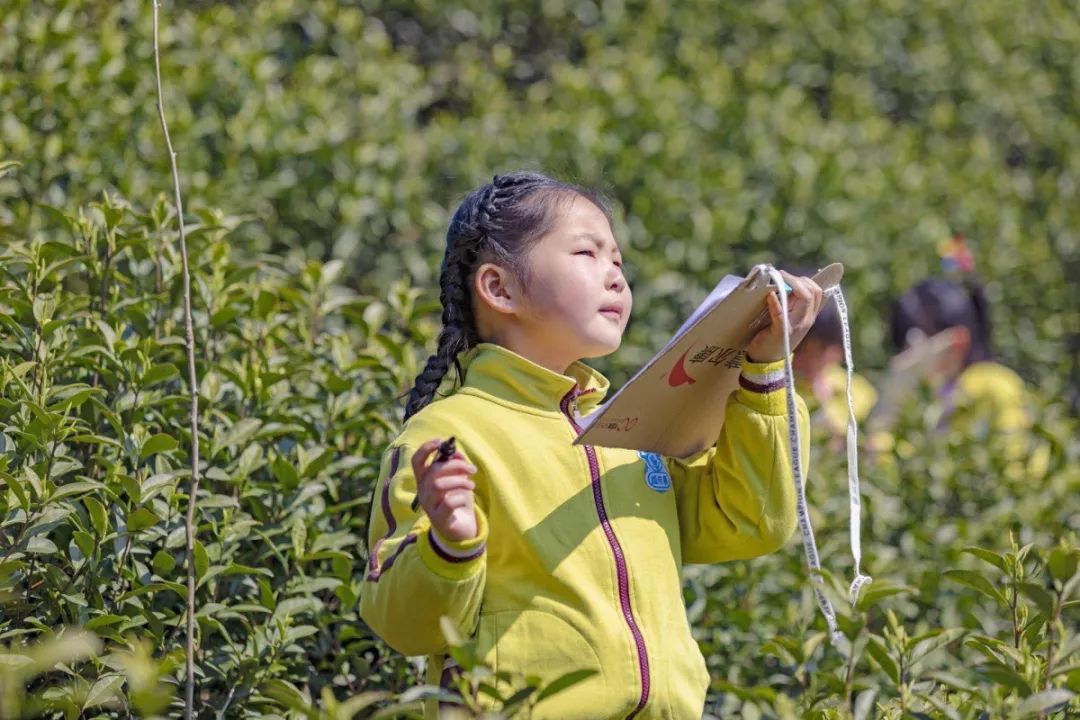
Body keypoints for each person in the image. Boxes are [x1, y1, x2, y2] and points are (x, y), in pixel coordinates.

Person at [359, 171, 824, 719]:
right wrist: (450, 545)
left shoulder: (629, 431)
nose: (615, 279)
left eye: (619, 263)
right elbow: (403, 625)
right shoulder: (449, 435)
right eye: (587, 253)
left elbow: (751, 521)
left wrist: (766, 369)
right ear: (499, 288)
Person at [889, 274, 1029, 439]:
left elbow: (1011, 451)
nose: (909, 355)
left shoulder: (994, 386)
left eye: (920, 340)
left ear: (957, 339)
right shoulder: (923, 392)